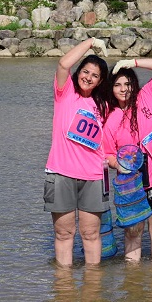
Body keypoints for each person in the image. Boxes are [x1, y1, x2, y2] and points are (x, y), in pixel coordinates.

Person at [43, 37, 109, 268]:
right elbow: (63, 64)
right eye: (86, 71)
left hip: (94, 176)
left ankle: (92, 291)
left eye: (95, 75)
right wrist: (90, 42)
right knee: (64, 234)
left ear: (101, 81)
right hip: (61, 174)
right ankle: (65, 293)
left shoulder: (104, 105)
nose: (88, 77)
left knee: (91, 234)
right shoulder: (65, 94)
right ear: (79, 71)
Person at [103, 58, 152, 261]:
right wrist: (119, 165)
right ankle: (132, 284)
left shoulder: (148, 95)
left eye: (127, 84)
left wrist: (132, 62)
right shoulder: (109, 119)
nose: (123, 89)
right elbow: (108, 155)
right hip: (130, 182)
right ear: (111, 89)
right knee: (133, 231)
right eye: (117, 85)